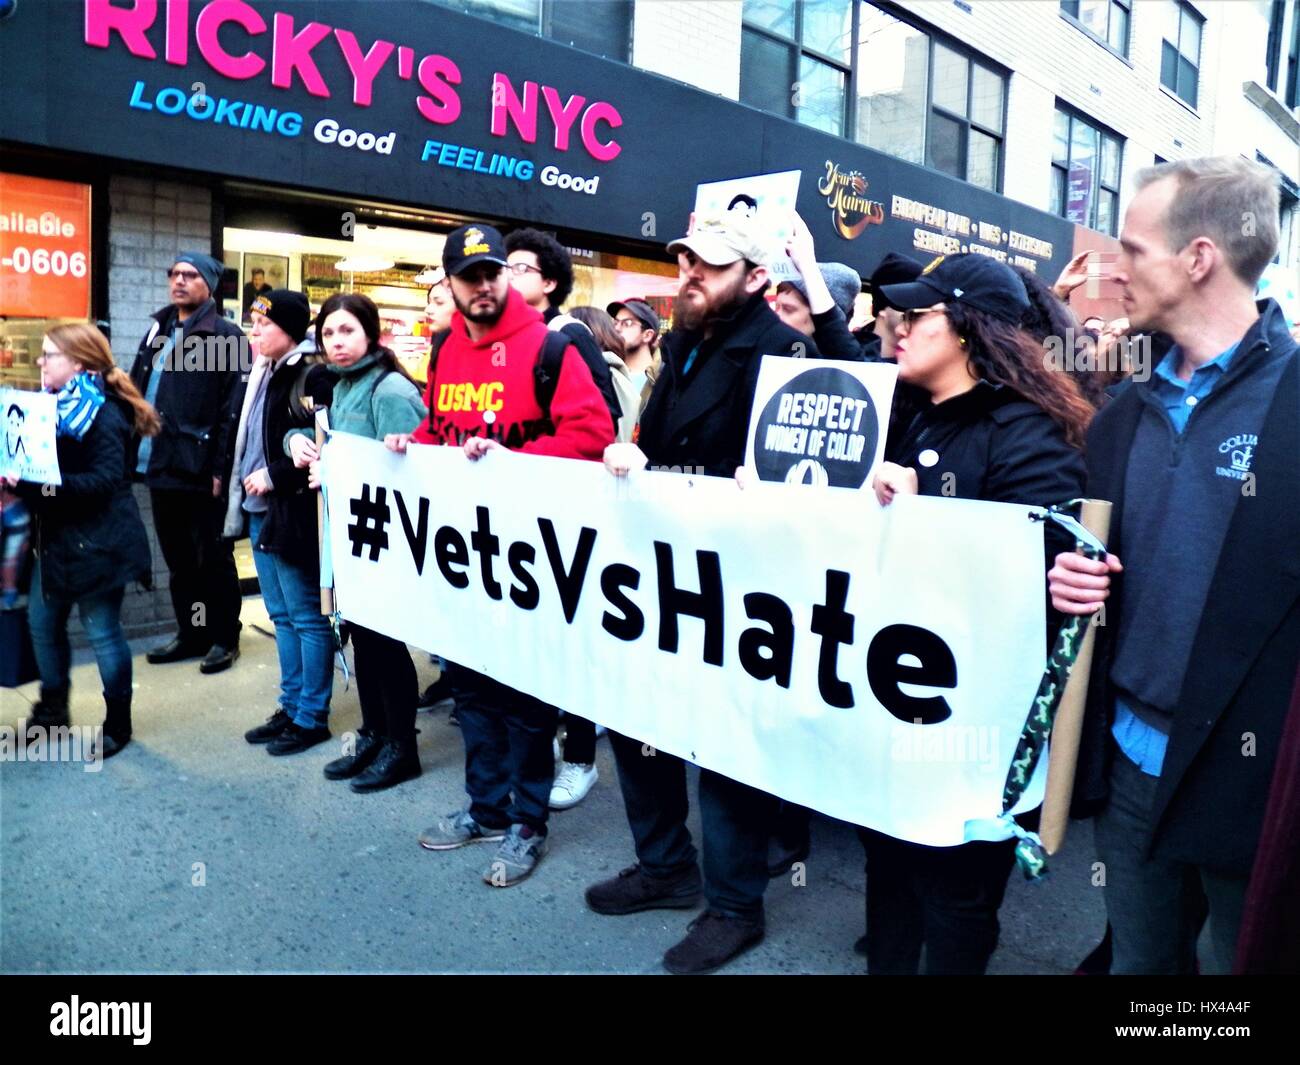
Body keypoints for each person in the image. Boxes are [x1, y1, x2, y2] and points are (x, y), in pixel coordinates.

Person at [1049, 156, 1300, 976]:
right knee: (1141, 968)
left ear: (1198, 258)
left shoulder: (1294, 402)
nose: (1113, 269)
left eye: (1132, 248)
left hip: (1254, 780)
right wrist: (1069, 581)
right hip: (1128, 762)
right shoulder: (1123, 412)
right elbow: (1095, 568)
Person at [590, 212, 819, 975]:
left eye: (709, 266)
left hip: (740, 588)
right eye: (685, 260)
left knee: (724, 745)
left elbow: (803, 489)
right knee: (636, 718)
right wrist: (633, 451)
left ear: (757, 278)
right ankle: (664, 865)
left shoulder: (788, 353)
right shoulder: (686, 340)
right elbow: (659, 439)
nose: (688, 274)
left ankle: (734, 906)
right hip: (659, 572)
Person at [863, 253, 1092, 975]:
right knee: (889, 861)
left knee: (957, 895)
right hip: (896, 696)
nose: (898, 327)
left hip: (977, 728)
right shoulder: (909, 416)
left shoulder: (1027, 432)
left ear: (966, 328)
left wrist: (926, 511)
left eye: (919, 315)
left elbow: (1040, 577)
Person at [387, 222, 614, 886]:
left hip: (531, 555)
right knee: (472, 687)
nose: (484, 286)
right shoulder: (446, 347)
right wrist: (414, 441)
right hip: (467, 554)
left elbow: (594, 434)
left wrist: (514, 463)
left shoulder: (550, 344)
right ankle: (485, 808)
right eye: (470, 276)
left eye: (493, 273)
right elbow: (444, 426)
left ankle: (527, 821)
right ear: (450, 282)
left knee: (525, 695)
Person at [290, 293, 427, 783]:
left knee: (386, 645)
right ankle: (373, 733)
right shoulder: (340, 387)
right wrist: (300, 447)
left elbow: (417, 478)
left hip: (386, 542)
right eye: (328, 333)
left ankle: (401, 747)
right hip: (352, 539)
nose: (336, 342)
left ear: (371, 333)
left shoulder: (388, 391)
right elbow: (316, 436)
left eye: (347, 330)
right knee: (363, 640)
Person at [7, 324, 160, 758]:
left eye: (50, 355)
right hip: (57, 543)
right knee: (42, 624)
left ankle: (118, 724)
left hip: (98, 545)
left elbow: (106, 480)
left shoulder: (103, 412)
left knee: (103, 633)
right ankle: (53, 712)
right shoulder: (50, 407)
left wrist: (36, 487)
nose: (40, 362)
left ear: (78, 363)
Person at [223, 290, 340, 763]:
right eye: (253, 321)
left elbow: (325, 448)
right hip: (259, 510)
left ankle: (312, 716)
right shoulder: (262, 372)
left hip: (290, 512)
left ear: (289, 329)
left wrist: (275, 474)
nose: (255, 330)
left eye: (264, 323)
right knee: (282, 617)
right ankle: (291, 707)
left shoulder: (311, 374)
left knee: (307, 617)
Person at [131, 251, 246, 675]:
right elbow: (137, 386)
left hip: (199, 470)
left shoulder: (226, 337)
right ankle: (192, 631)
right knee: (179, 561)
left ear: (209, 285)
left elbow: (231, 412)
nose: (179, 281)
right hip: (158, 464)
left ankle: (223, 637)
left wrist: (220, 469)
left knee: (212, 558)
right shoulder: (158, 328)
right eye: (174, 273)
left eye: (191, 275)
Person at [504, 226, 623, 437]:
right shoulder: (510, 334)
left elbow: (605, 413)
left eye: (520, 268)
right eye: (506, 268)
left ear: (549, 283)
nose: (509, 276)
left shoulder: (570, 332)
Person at [774, 213, 865, 361]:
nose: (776, 317)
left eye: (789, 309)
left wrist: (807, 265)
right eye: (776, 307)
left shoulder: (844, 368)